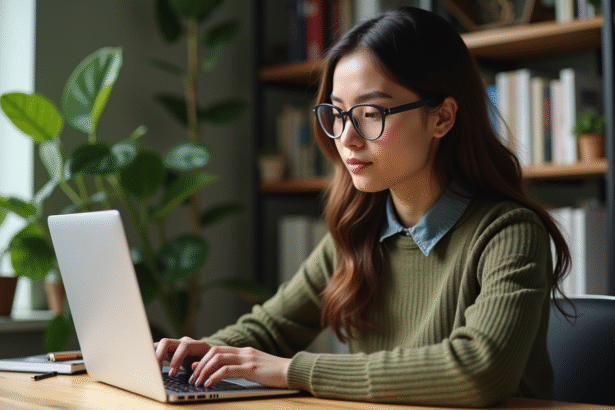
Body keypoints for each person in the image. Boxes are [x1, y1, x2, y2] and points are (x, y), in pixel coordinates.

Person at [154, 6, 572, 407]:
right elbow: (270, 328)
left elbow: (479, 369)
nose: (347, 138)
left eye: (370, 113)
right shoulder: (361, 228)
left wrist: (291, 371)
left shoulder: (509, 232)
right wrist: (194, 355)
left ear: (442, 117)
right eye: (336, 113)